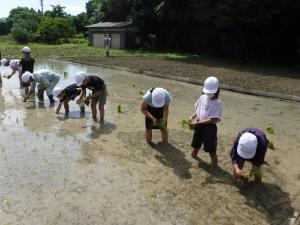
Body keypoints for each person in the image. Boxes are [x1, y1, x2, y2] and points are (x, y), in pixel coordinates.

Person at [188, 76, 222, 165]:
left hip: (209, 128)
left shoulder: (218, 102)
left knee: (211, 149)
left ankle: (214, 164)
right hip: (199, 125)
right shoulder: (202, 97)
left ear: (217, 90)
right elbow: (198, 110)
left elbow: (213, 119)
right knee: (196, 144)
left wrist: (198, 123)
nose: (209, 94)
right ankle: (194, 158)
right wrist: (192, 117)